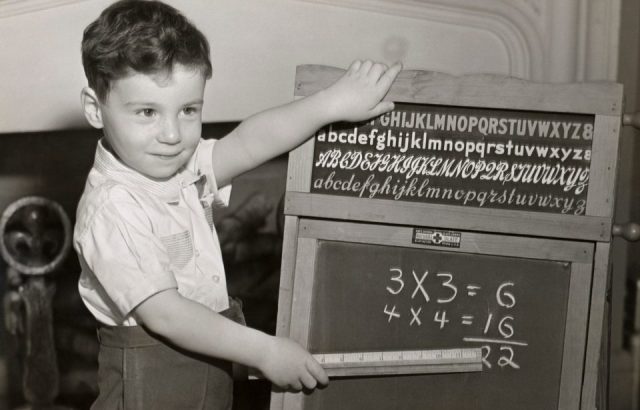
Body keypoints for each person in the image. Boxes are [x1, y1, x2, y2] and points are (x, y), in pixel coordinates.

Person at [74, 0, 401, 408]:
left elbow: (248, 142)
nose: (172, 134)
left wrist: (330, 105)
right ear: (94, 108)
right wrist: (264, 351)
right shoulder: (113, 208)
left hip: (204, 372)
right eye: (146, 112)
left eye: (189, 110)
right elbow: (168, 315)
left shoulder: (174, 164)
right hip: (150, 387)